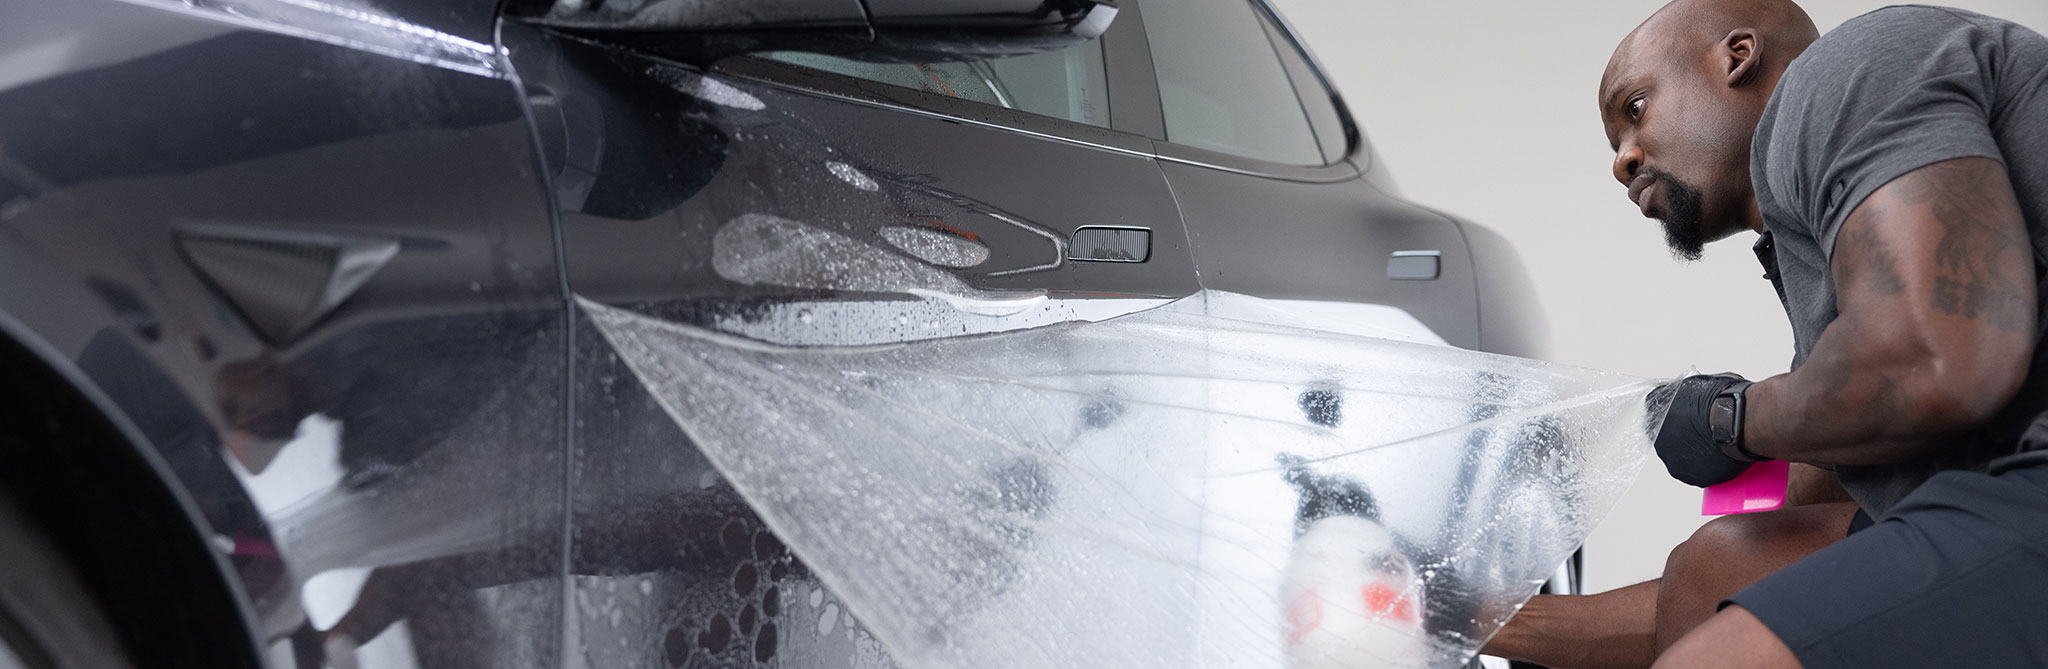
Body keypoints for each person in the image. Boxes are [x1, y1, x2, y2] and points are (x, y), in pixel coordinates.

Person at [1481, 0, 2048, 666]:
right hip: (1999, 495)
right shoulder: (1823, 279)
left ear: (1738, 56)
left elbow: (1934, 360)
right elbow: (1750, 583)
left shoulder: (1846, 69)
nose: (1622, 161)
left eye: (1634, 109)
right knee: (1719, 565)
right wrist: (1466, 616)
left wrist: (1729, 417)